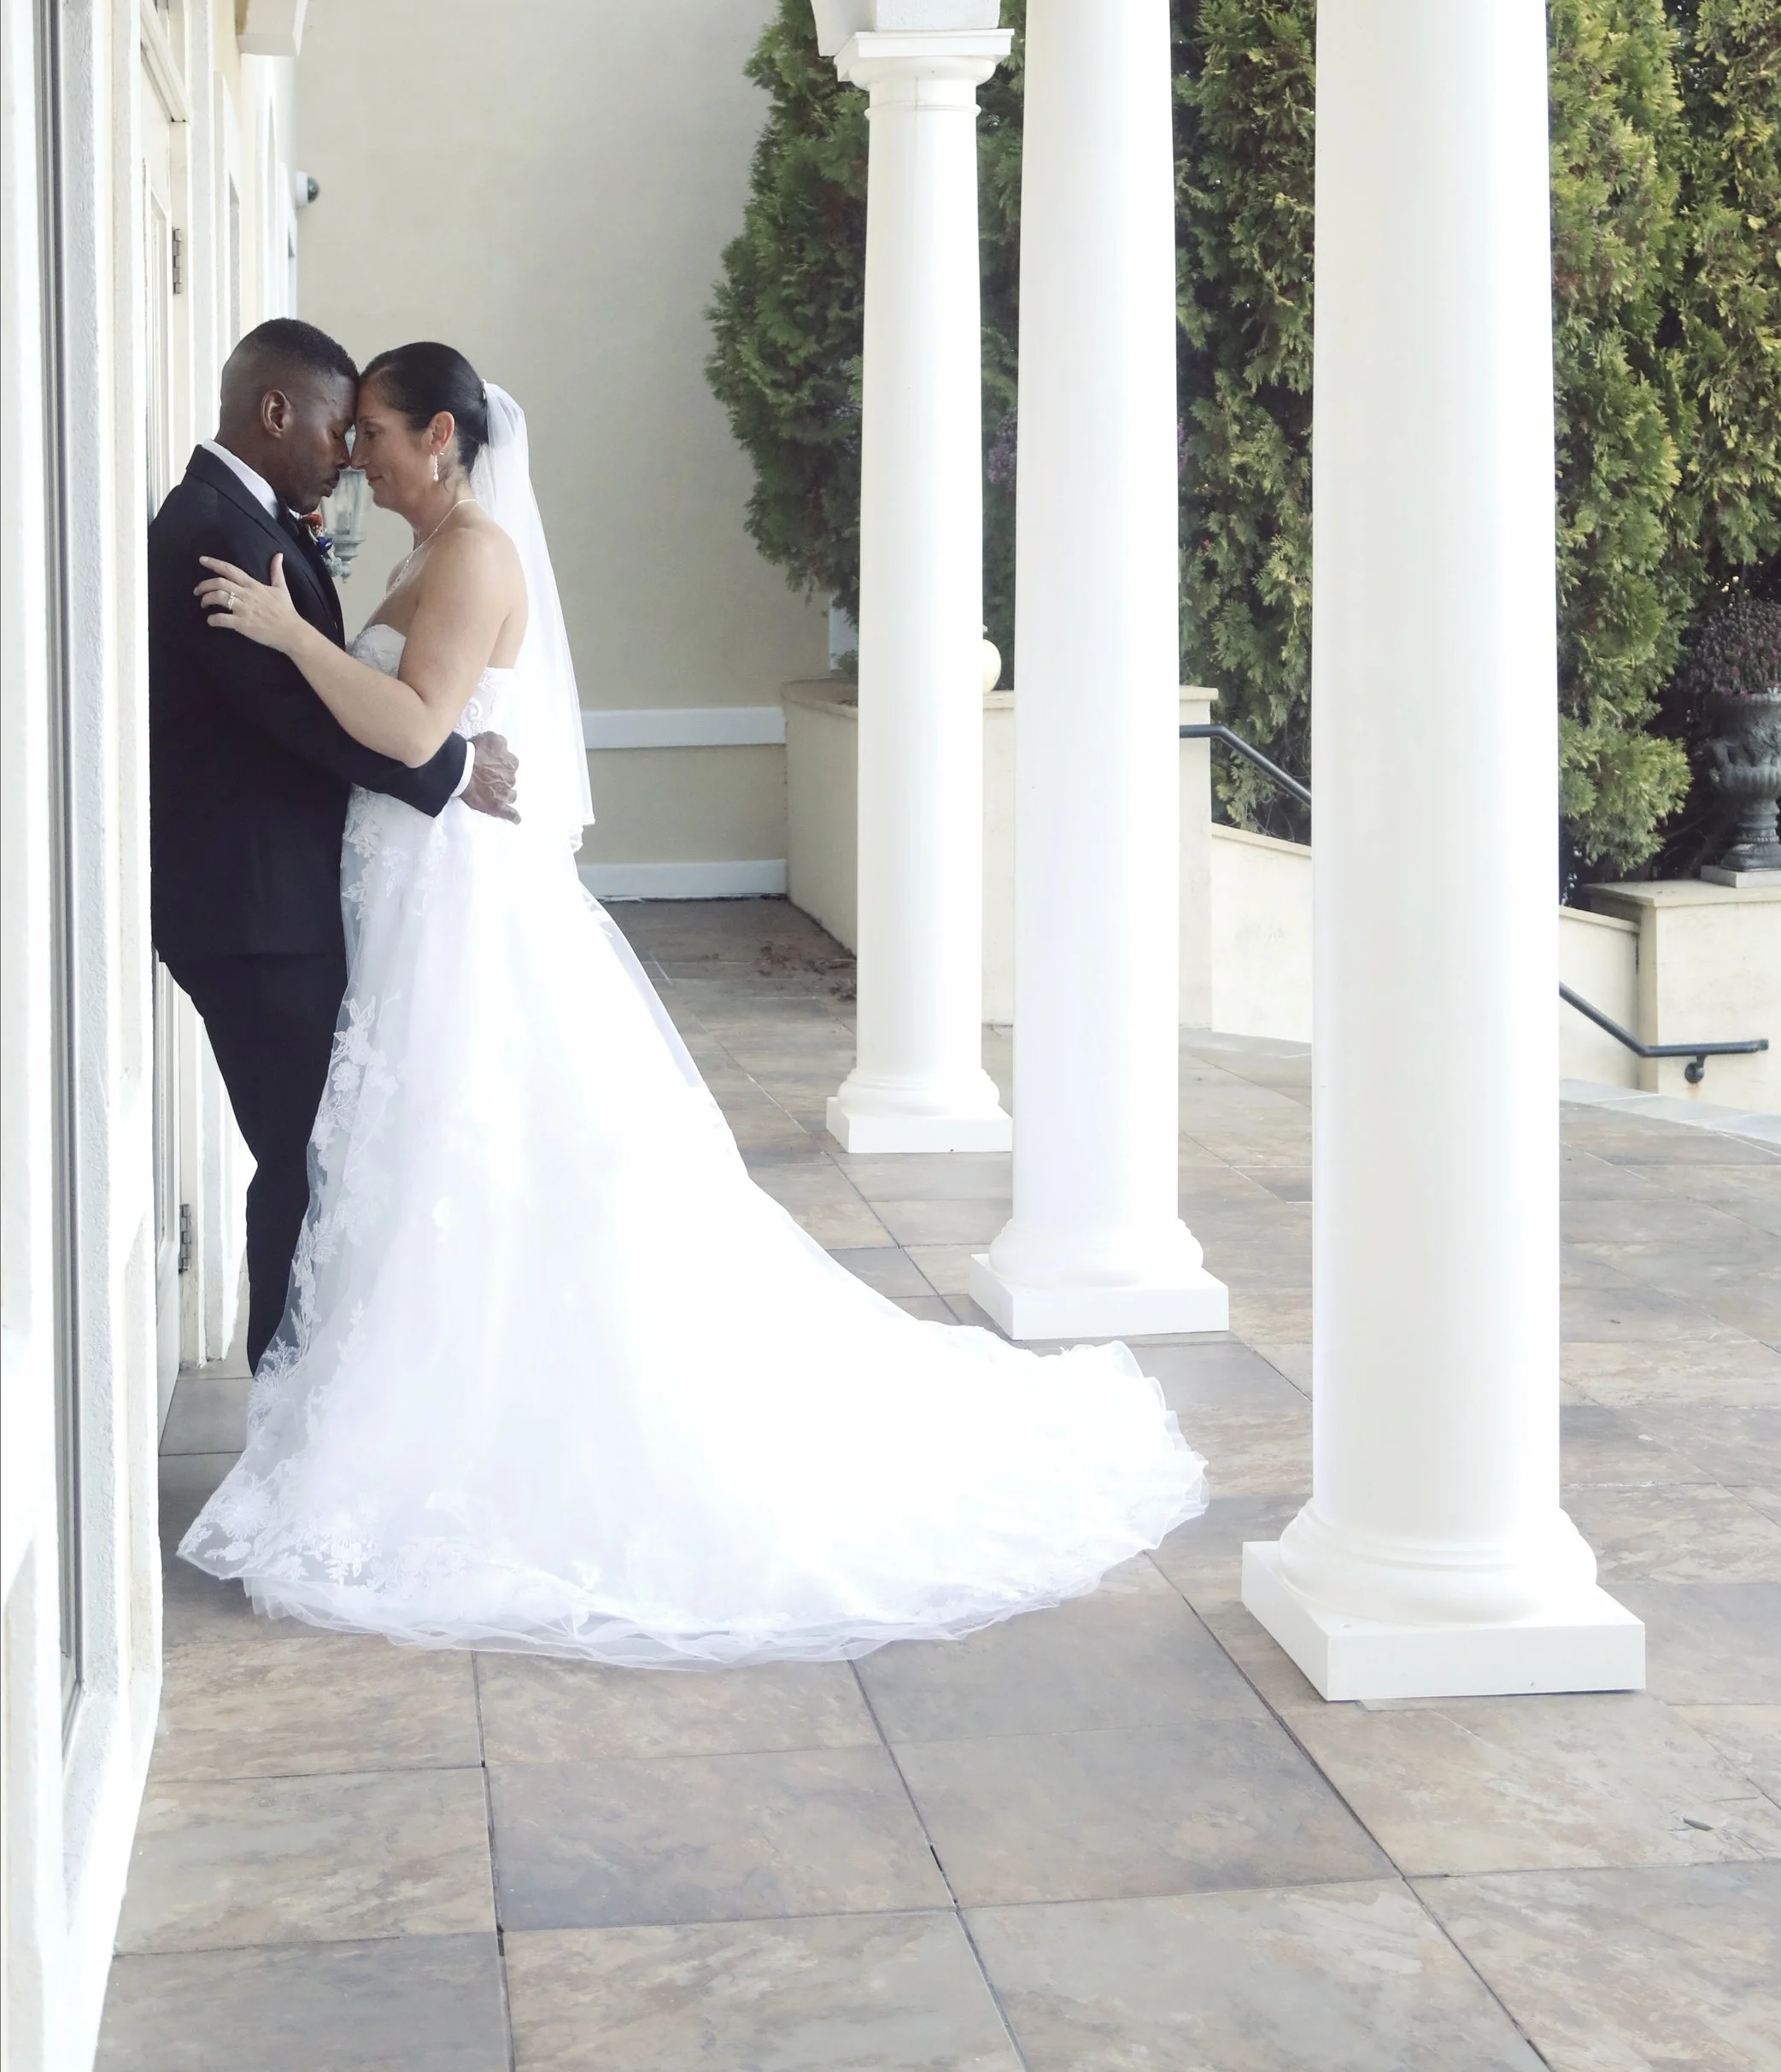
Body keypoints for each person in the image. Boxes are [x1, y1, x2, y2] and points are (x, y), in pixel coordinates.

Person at [179, 344, 1203, 1662]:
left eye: (374, 430)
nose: (359, 455)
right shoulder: (428, 549)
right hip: (402, 897)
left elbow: (413, 726)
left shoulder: (477, 553)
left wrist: (286, 636)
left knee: (484, 1151)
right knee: (424, 1166)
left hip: (456, 907)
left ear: (439, 435)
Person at [147, 320, 521, 1368]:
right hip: (254, 913)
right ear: (276, 413)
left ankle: (305, 1405)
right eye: (336, 428)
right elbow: (298, 713)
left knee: (325, 1165)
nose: (348, 456)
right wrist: (452, 768)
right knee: (308, 1168)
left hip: (295, 902)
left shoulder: (256, 517)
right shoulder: (213, 528)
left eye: (367, 432)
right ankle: (288, 1413)